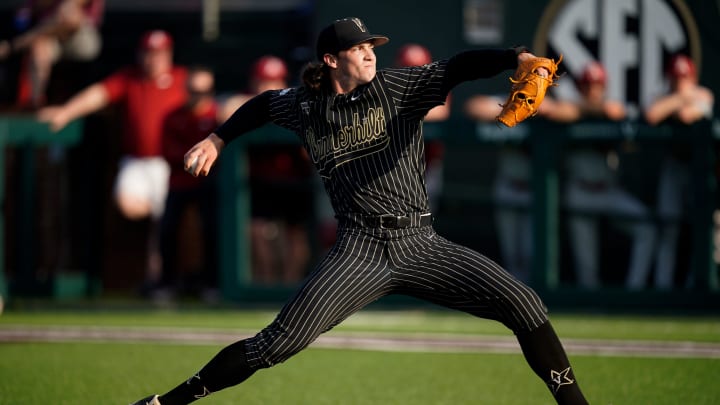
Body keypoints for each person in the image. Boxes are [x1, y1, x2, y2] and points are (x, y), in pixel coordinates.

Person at [130, 17, 588, 405]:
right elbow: (263, 106)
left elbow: (458, 67)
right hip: (359, 251)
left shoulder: (398, 87)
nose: (370, 53)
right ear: (331, 60)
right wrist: (217, 138)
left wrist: (517, 58)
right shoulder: (306, 106)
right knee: (275, 344)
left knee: (525, 304)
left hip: (419, 242)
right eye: (358, 48)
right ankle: (166, 403)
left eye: (371, 46)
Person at [36, 29, 188, 296]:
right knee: (130, 205)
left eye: (159, 54)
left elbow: (211, 103)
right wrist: (66, 112)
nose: (153, 60)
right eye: (149, 54)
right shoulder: (129, 78)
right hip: (138, 162)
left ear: (169, 55)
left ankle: (161, 281)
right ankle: (157, 265)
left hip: (171, 164)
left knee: (164, 228)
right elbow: (98, 94)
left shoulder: (181, 79)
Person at [553, 61, 656, 289]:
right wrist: (583, 109)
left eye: (597, 85)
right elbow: (555, 111)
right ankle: (590, 303)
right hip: (580, 191)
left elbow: (615, 110)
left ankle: (634, 291)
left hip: (609, 191)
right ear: (580, 87)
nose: (593, 90)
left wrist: (587, 109)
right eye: (588, 85)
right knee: (587, 269)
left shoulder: (607, 108)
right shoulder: (569, 107)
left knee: (647, 227)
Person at [219, 55, 313, 286]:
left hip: (293, 180)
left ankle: (291, 285)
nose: (268, 87)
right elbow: (225, 109)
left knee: (296, 236)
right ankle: (266, 284)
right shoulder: (249, 103)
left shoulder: (295, 101)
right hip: (260, 183)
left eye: (274, 81)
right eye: (263, 81)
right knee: (257, 233)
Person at [464, 93, 576, 283]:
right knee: (512, 254)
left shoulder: (549, 101)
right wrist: (516, 109)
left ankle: (534, 295)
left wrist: (540, 108)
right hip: (508, 184)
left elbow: (570, 112)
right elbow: (473, 107)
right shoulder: (509, 100)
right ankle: (515, 297)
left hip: (537, 189)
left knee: (531, 252)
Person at [644, 53, 714, 289]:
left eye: (684, 78)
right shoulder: (667, 95)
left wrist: (681, 99)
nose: (680, 82)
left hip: (701, 169)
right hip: (674, 167)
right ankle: (664, 286)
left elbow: (688, 115)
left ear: (693, 77)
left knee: (703, 230)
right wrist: (680, 97)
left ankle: (697, 286)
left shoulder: (704, 94)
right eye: (676, 78)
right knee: (669, 229)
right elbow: (652, 115)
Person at [158, 65, 220, 301]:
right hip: (181, 182)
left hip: (209, 184)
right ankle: (167, 281)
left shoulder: (217, 116)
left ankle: (212, 282)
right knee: (168, 228)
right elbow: (170, 152)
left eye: (205, 91)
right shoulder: (174, 117)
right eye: (194, 90)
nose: (199, 97)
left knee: (212, 228)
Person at [0, 0, 104, 108]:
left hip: (82, 38)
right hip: (48, 36)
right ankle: (36, 104)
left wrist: (13, 45)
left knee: (68, 13)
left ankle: (14, 46)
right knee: (38, 49)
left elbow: (69, 16)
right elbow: (28, 11)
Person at [394, 43, 450, 213]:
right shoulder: (389, 85)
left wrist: (401, 111)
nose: (414, 75)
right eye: (408, 69)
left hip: (426, 165)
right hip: (395, 168)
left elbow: (440, 112)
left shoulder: (437, 85)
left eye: (418, 69)